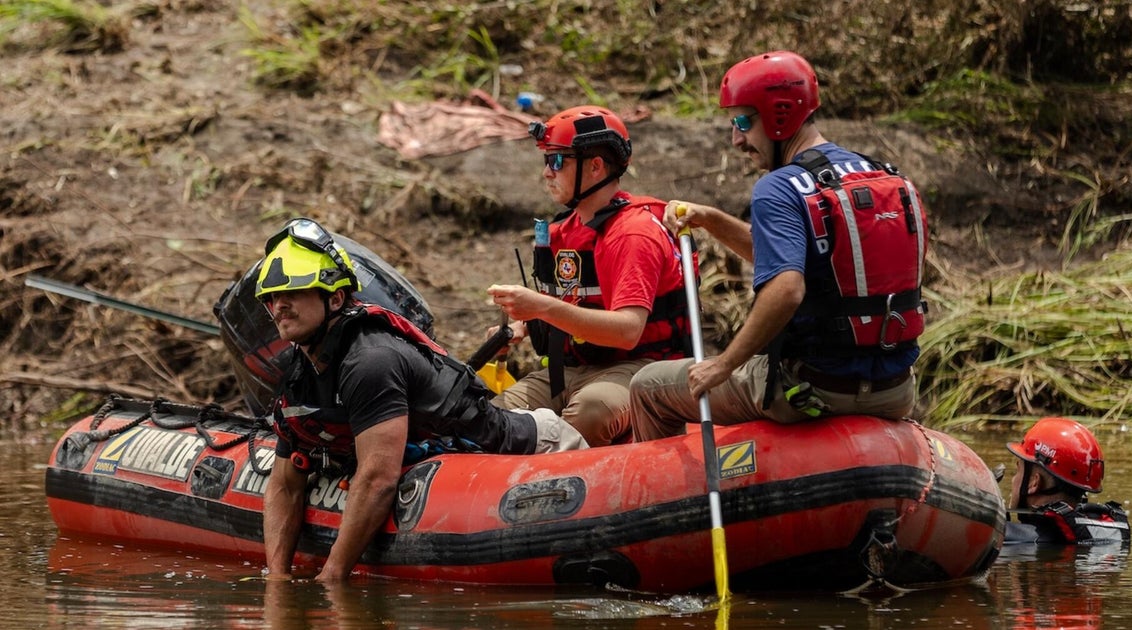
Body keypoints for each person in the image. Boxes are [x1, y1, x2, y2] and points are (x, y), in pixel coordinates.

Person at [255, 217, 587, 583]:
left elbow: (378, 480)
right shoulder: (299, 372)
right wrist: (277, 580)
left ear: (334, 298)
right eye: (271, 298)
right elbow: (284, 484)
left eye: (293, 293)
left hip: (539, 450)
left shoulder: (370, 360)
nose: (279, 305)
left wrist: (330, 580)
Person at [629, 50, 929, 441]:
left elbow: (787, 288)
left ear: (778, 115)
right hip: (895, 391)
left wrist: (723, 364)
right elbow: (795, 260)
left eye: (742, 122)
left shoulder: (778, 188)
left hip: (811, 389)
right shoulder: (885, 176)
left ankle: (673, 479)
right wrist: (713, 220)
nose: (737, 139)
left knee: (648, 386)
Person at [486, 105, 693, 446]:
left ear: (595, 166)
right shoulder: (564, 231)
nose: (546, 172)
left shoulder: (634, 233)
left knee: (590, 413)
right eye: (546, 161)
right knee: (493, 416)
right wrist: (523, 325)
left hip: (642, 367)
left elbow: (628, 331)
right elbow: (570, 304)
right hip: (570, 369)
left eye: (557, 161)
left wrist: (541, 308)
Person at [1004, 416, 1130, 544]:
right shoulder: (1099, 532)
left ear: (1033, 482)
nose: (1013, 479)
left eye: (1017, 470)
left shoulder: (1006, 537)